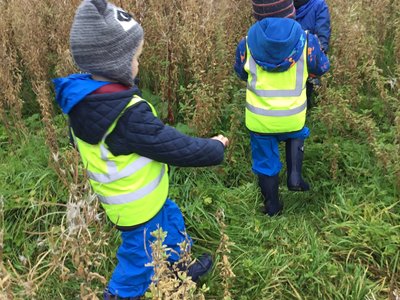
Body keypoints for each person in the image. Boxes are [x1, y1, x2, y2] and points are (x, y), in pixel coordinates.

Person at [53, 0, 229, 299]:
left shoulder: (83, 99)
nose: (139, 63)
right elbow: (173, 146)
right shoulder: (127, 114)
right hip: (137, 208)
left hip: (142, 199)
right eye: (136, 57)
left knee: (171, 222)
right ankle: (118, 295)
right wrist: (214, 148)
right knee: (137, 263)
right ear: (116, 64)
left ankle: (179, 269)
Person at [234, 0, 330, 216]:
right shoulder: (307, 40)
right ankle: (295, 176)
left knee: (265, 162)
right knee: (297, 133)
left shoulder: (247, 43)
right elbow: (322, 67)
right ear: (291, 11)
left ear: (257, 14)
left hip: (260, 119)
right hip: (293, 115)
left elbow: (240, 72)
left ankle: (272, 206)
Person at [294, 0, 331, 108]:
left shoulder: (282, 5)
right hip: (308, 60)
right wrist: (319, 59)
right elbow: (322, 35)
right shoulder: (319, 5)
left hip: (286, 59)